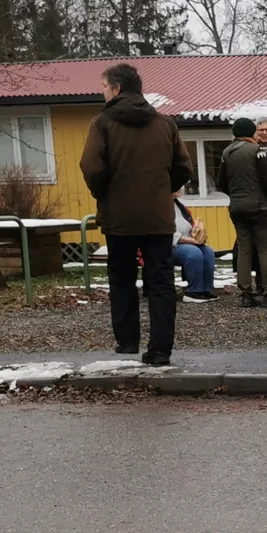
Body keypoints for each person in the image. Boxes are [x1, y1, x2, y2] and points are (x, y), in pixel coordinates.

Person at [79, 62, 192, 365]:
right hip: (157, 217)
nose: (102, 93)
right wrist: (162, 190)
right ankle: (160, 350)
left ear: (116, 88)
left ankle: (127, 343)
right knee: (160, 282)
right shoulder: (165, 123)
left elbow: (91, 166)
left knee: (122, 279)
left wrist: (106, 194)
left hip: (119, 218)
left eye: (103, 87)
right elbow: (184, 167)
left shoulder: (102, 123)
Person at [217, 117, 267, 307]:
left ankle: (245, 294)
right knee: (265, 249)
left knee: (244, 249)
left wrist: (236, 196)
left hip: (237, 207)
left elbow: (221, 183)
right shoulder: (256, 151)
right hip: (259, 207)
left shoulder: (227, 153)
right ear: (252, 133)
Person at [172, 198, 216, 301]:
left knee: (208, 252)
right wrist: (190, 241)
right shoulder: (160, 205)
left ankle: (205, 290)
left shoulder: (178, 205)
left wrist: (197, 232)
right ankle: (193, 291)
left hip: (186, 241)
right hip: (169, 245)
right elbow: (168, 232)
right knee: (193, 252)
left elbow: (187, 224)